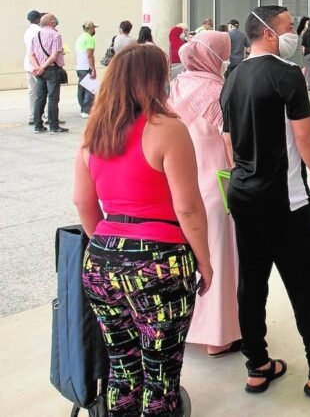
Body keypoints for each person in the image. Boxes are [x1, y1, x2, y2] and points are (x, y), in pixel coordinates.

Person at [220, 5, 310, 397]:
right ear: (268, 32)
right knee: (307, 285)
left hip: (243, 194)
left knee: (252, 283)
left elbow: (228, 140)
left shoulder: (232, 76)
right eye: (288, 27)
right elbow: (305, 137)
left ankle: (257, 365)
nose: (293, 34)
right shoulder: (287, 76)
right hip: (284, 199)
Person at [73, 43, 213, 416]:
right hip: (160, 263)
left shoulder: (94, 134)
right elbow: (188, 207)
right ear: (153, 82)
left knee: (121, 363)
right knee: (161, 370)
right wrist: (205, 259)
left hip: (100, 261)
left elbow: (83, 203)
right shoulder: (168, 130)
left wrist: (109, 245)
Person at [169, 31, 242, 357]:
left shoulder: (176, 86)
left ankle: (187, 328)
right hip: (216, 186)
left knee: (189, 259)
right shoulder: (221, 92)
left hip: (181, 184)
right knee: (219, 258)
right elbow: (230, 144)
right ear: (216, 57)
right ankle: (218, 336)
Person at [29, 13, 68, 134]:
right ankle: (54, 126)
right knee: (53, 98)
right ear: (51, 22)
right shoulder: (55, 35)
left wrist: (38, 68)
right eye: (54, 19)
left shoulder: (37, 35)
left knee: (40, 97)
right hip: (52, 69)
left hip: (40, 71)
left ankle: (38, 125)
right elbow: (54, 55)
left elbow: (31, 54)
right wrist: (43, 67)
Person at [24, 10, 43, 125]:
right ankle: (45, 115)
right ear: (37, 19)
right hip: (37, 64)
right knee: (43, 91)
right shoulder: (40, 31)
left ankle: (32, 116)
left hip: (28, 64)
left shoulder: (27, 32)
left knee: (32, 91)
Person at [75, 21, 98, 119]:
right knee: (91, 88)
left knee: (81, 89)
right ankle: (86, 110)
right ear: (90, 29)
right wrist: (93, 68)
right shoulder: (90, 39)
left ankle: (82, 108)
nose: (94, 30)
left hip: (79, 66)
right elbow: (89, 55)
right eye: (94, 28)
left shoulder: (80, 38)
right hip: (86, 66)